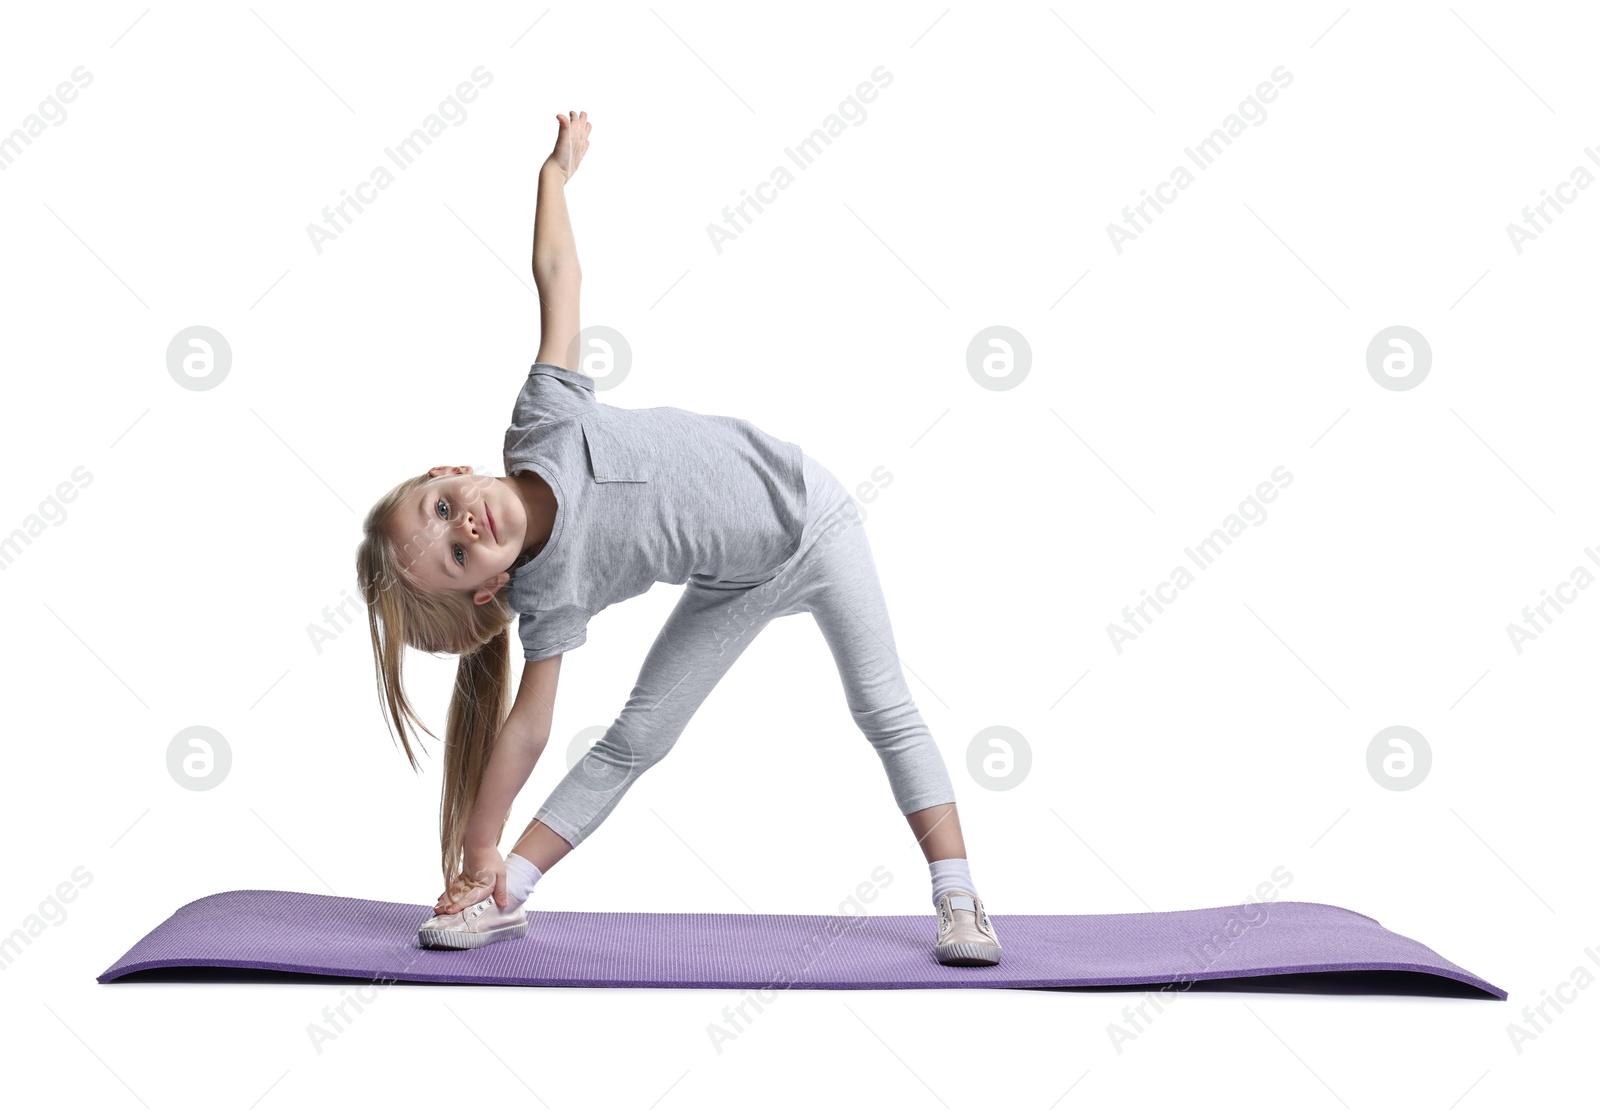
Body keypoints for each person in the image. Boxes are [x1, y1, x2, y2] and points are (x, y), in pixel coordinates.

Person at [355, 110, 1000, 966]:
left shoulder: (543, 420)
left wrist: (554, 175)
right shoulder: (551, 595)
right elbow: (525, 728)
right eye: (459, 555)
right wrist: (479, 852)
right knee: (637, 737)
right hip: (735, 581)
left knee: (882, 707)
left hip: (814, 516)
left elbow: (559, 278)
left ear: (448, 471)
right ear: (486, 588)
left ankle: (958, 898)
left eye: (444, 511)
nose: (466, 525)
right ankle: (508, 893)